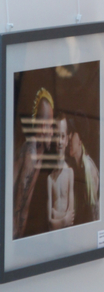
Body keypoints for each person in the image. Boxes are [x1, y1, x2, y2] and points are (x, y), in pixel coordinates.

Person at [13, 87, 55, 239]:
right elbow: (17, 208)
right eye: (51, 126)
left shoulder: (39, 153)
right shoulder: (31, 153)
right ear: (43, 126)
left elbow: (25, 208)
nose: (52, 132)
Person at [67, 116, 100, 224]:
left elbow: (94, 215)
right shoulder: (75, 167)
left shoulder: (88, 169)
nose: (69, 137)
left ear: (80, 139)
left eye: (72, 133)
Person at [47, 113, 75, 231]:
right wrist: (64, 220)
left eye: (62, 136)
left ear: (67, 140)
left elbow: (71, 218)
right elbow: (49, 222)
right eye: (57, 136)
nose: (59, 141)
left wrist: (55, 214)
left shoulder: (70, 173)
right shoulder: (50, 178)